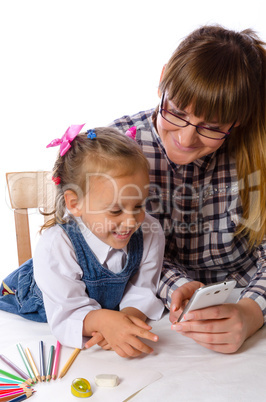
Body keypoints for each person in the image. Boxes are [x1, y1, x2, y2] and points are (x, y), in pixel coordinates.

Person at [110, 25, 266, 354]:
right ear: (163, 79)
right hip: (149, 312)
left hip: (245, 300)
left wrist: (252, 313)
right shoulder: (118, 149)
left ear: (237, 121)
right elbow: (109, 250)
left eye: (212, 128)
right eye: (177, 112)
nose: (185, 138)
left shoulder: (254, 155)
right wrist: (176, 285)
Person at [0, 125, 165, 358]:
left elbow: (143, 288)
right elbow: (65, 313)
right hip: (36, 299)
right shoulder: (55, 246)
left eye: (138, 205)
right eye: (116, 210)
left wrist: (125, 320)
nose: (131, 221)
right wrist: (104, 321)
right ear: (74, 203)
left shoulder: (150, 231)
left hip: (97, 308)